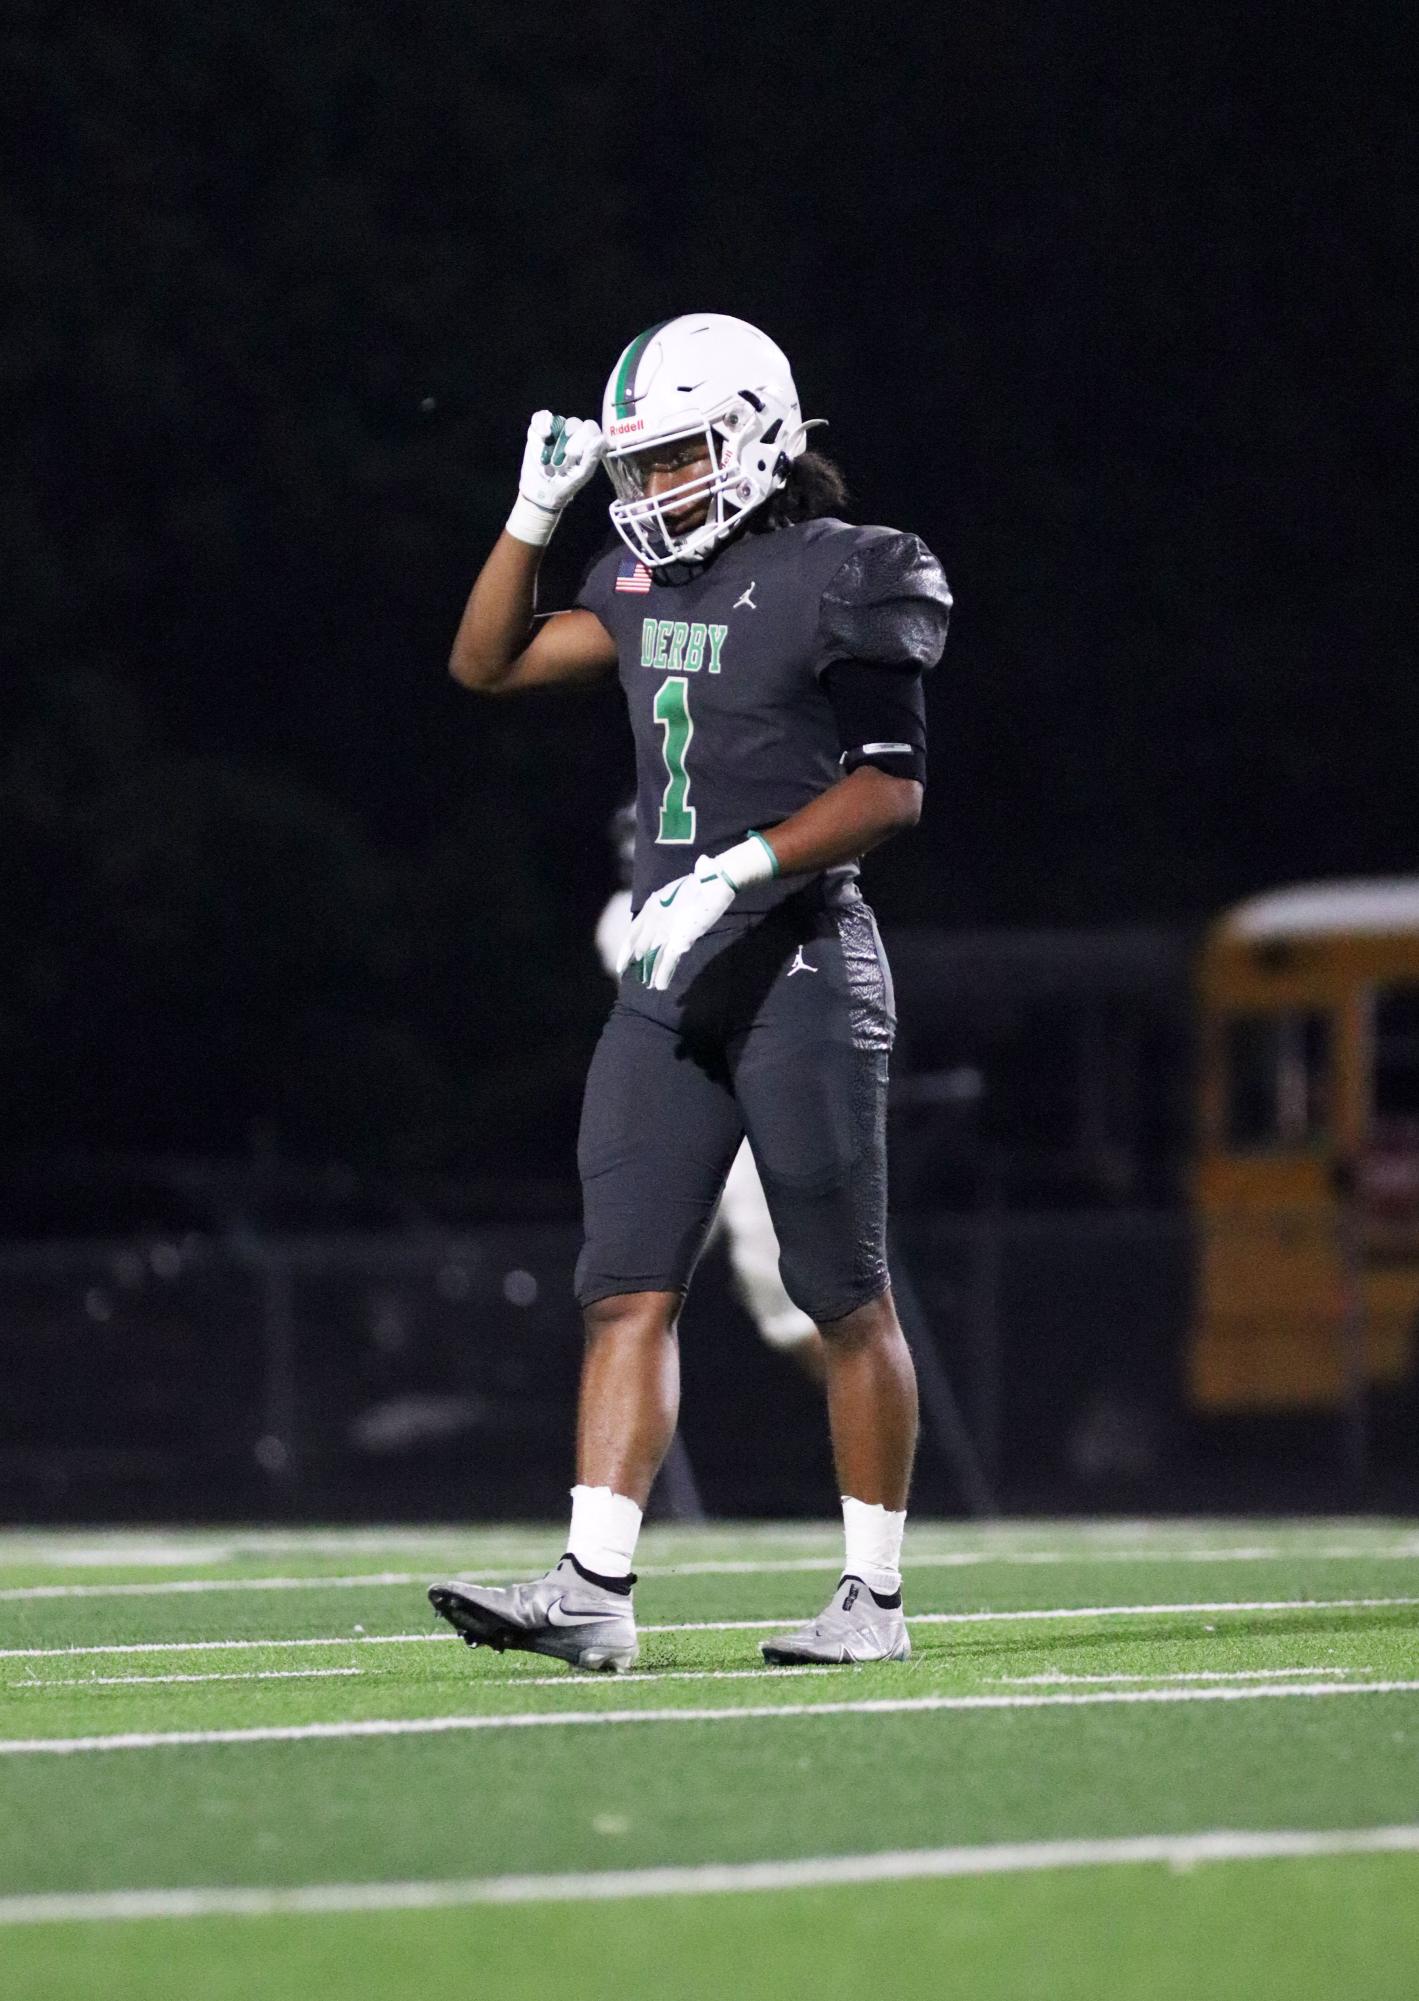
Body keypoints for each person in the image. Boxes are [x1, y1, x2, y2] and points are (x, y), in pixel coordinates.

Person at [430, 314, 951, 1672]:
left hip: (793, 960)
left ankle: (871, 1599)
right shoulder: (634, 584)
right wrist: (530, 512)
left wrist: (737, 870)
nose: (651, 490)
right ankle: (594, 1585)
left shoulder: (850, 569)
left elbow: (889, 786)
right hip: (672, 980)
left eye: (675, 458)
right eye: (636, 466)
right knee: (625, 1287)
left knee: (839, 1291)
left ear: (761, 435)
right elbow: (482, 663)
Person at [596, 800, 827, 1385]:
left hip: (754, 1113)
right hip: (689, 1112)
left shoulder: (729, 893)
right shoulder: (625, 917)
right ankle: (608, 1470)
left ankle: (885, 1453)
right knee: (629, 1294)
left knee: (793, 1306)